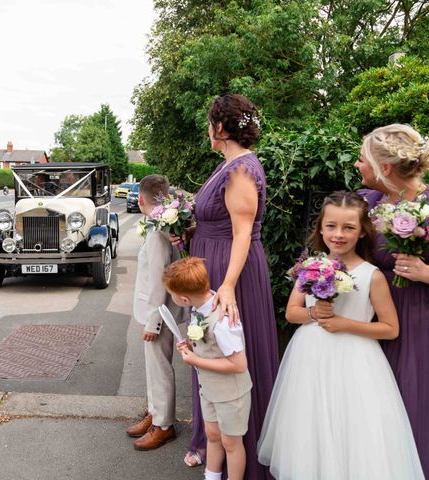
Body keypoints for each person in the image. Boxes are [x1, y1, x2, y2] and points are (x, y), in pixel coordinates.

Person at [257, 190, 424, 479]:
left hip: (356, 362)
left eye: (349, 227)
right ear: (321, 228)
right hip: (309, 358)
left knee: (353, 427)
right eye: (331, 226)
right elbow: (291, 312)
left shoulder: (372, 275)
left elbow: (390, 328)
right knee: (311, 426)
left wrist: (346, 323)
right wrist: (313, 314)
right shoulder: (309, 267)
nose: (339, 234)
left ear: (361, 232)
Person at [181, 93, 279, 478]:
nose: (209, 130)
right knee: (209, 349)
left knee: (230, 351)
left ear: (219, 128)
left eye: (210, 124)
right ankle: (214, 443)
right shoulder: (229, 165)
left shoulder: (240, 170)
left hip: (229, 269)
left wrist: (227, 286)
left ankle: (242, 455)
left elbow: (242, 232)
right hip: (215, 261)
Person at [355, 124, 429, 479]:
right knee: (377, 413)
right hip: (376, 320)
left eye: (362, 159)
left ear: (386, 167)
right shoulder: (369, 203)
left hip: (423, 323)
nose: (357, 165)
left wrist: (426, 273)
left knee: (417, 409)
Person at [165, 256, 252, 480]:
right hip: (210, 390)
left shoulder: (222, 319)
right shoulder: (200, 308)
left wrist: (196, 360)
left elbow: (239, 364)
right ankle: (211, 476)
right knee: (212, 434)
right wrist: (191, 348)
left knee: (231, 443)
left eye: (173, 296)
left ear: (183, 298)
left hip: (231, 394)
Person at [126, 174, 187, 450]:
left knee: (160, 368)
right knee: (153, 367)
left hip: (160, 314)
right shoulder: (160, 225)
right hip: (158, 311)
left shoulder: (159, 231)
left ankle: (164, 425)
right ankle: (154, 413)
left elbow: (158, 278)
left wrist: (153, 322)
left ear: (140, 199)